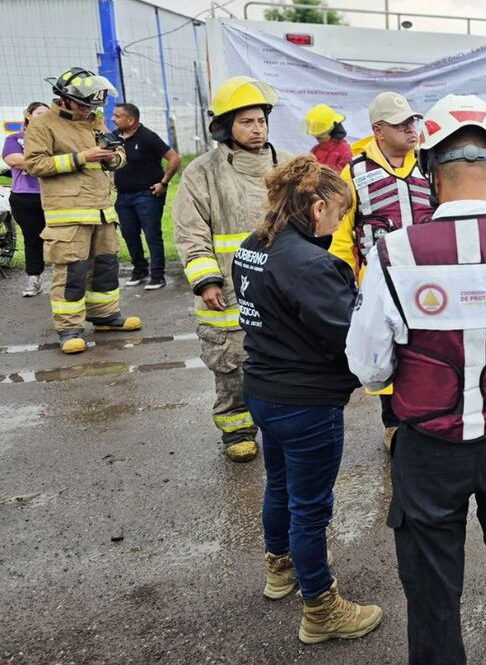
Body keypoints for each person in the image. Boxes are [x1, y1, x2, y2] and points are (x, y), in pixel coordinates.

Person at [345, 94, 486, 664]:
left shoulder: (392, 254)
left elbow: (369, 367)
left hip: (426, 446)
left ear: (429, 174)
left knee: (433, 597)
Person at [233, 155, 382, 645]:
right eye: (338, 213)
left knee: (280, 487)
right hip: (306, 403)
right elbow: (349, 337)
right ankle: (321, 609)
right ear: (316, 207)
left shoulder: (253, 247)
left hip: (264, 391)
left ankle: (281, 570)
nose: (339, 222)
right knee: (311, 507)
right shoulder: (311, 264)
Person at [173, 76, 287, 463]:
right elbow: (190, 231)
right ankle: (237, 429)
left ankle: (280, 422)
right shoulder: (202, 172)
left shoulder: (287, 166)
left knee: (283, 357)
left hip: (281, 286)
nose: (258, 130)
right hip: (227, 287)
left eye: (261, 121)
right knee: (231, 361)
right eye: (247, 122)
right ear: (225, 127)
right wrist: (206, 280)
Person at [329, 91, 435, 453]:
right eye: (401, 124)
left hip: (429, 286)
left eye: (412, 121)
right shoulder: (354, 173)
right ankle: (393, 424)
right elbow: (341, 237)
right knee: (386, 356)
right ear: (378, 130)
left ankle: (427, 417)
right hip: (380, 288)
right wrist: (346, 287)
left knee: (429, 354)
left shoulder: (429, 165)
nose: (411, 129)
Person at [22, 67, 141, 355]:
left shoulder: (95, 123)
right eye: (84, 104)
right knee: (71, 273)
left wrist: (114, 159)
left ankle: (104, 316)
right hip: (67, 215)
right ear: (64, 99)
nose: (89, 110)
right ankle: (69, 328)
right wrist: (80, 158)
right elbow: (35, 164)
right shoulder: (43, 125)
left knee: (105, 267)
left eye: (94, 105)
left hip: (101, 210)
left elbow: (119, 154)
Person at [111, 102, 181, 290]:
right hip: (124, 197)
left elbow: (174, 159)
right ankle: (139, 270)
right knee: (129, 235)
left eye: (117, 116)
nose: (113, 119)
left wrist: (164, 183)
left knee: (152, 235)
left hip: (148, 195)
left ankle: (157, 275)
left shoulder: (148, 137)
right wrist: (112, 178)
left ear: (131, 120)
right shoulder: (115, 138)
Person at [2, 102, 49, 297]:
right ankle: (34, 279)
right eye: (39, 113)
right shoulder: (15, 138)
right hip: (25, 198)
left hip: (54, 197)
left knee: (62, 239)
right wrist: (46, 164)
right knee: (33, 239)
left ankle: (69, 280)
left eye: (47, 114)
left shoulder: (53, 139)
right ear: (28, 115)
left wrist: (31, 164)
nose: (43, 117)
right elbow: (13, 160)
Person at [304, 104, 352, 172]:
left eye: (320, 136)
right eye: (316, 136)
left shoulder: (345, 151)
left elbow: (343, 177)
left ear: (332, 131)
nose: (317, 139)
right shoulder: (315, 150)